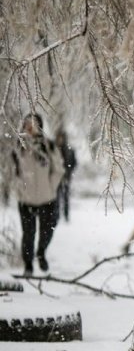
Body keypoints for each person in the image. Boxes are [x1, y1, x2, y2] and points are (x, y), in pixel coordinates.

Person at [10, 113, 65, 276]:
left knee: (47, 231)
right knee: (28, 234)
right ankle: (28, 265)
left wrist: (50, 187)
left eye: (32, 123)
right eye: (26, 123)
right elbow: (15, 172)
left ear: (39, 126)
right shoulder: (19, 146)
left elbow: (59, 169)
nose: (28, 126)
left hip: (47, 199)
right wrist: (19, 189)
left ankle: (41, 253)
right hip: (25, 200)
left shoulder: (48, 146)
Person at [54, 128, 77, 221]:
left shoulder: (69, 150)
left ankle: (66, 215)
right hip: (56, 178)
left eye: (61, 137)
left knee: (65, 197)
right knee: (56, 198)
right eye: (59, 137)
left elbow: (74, 163)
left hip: (66, 177)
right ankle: (57, 215)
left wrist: (69, 172)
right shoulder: (53, 149)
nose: (60, 139)